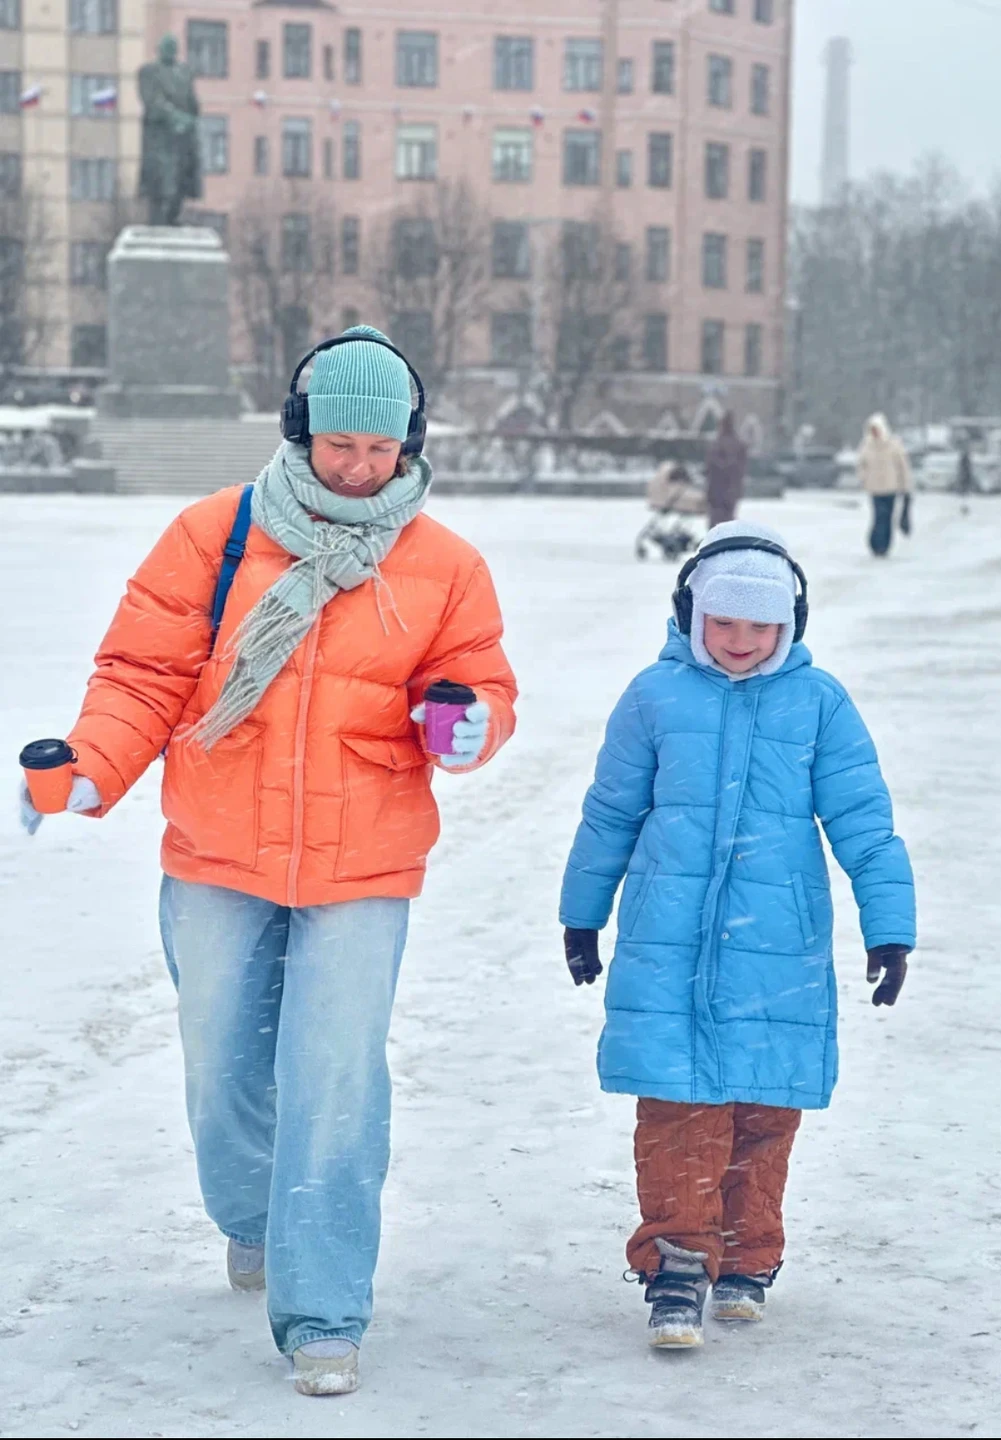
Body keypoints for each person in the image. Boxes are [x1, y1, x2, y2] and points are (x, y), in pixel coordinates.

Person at [18, 325, 517, 1396]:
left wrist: (464, 721)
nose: (356, 468)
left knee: (334, 1081)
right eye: (336, 444)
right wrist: (92, 766)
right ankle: (253, 1215)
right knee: (222, 1067)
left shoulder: (441, 565)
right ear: (297, 432)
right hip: (217, 848)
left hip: (363, 863)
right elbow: (143, 674)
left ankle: (324, 1307)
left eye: (377, 451)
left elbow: (480, 684)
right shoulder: (215, 537)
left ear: (410, 445)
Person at [559, 520, 915, 1350]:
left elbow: (864, 822)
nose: (742, 643)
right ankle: (678, 1264)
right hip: (668, 941)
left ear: (790, 625)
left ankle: (747, 1258)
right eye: (724, 624)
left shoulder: (818, 702)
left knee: (762, 1107)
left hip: (778, 948)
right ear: (691, 616)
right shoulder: (653, 698)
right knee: (678, 1106)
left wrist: (888, 927)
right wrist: (582, 913)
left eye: (761, 627)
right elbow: (610, 814)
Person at [138, 34, 202, 226]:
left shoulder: (185, 72)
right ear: (159, 49)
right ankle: (158, 218)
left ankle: (174, 215)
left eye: (173, 48)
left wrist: (191, 118)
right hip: (159, 136)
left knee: (182, 177)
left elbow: (192, 101)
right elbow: (152, 100)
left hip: (183, 137)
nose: (170, 52)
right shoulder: (148, 71)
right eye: (167, 48)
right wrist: (175, 116)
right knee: (161, 179)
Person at [857, 414, 912, 557]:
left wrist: (905, 485)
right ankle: (875, 543)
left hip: (891, 487)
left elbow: (902, 466)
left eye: (877, 429)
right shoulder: (866, 445)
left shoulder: (894, 444)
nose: (875, 432)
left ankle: (884, 546)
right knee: (879, 516)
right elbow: (861, 465)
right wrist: (863, 479)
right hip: (874, 488)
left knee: (887, 517)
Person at [704, 412, 748, 530]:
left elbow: (711, 466)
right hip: (732, 490)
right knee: (728, 520)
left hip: (717, 490)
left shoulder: (718, 444)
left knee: (715, 521)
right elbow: (741, 467)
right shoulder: (739, 444)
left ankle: (714, 542)